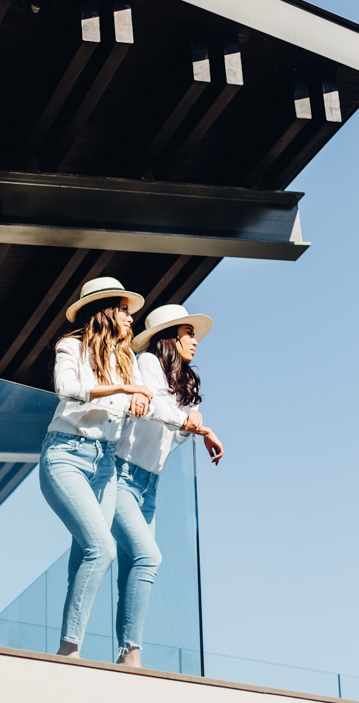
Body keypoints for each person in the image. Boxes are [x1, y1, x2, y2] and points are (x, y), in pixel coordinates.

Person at [40, 276, 152, 659]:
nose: (130, 318)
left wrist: (141, 402)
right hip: (65, 455)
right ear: (104, 311)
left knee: (85, 557)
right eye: (124, 310)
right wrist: (123, 391)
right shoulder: (70, 345)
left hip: (104, 465)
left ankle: (71, 646)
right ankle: (69, 652)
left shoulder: (127, 359)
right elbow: (66, 389)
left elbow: (144, 403)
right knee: (101, 548)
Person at [112, 303, 224, 668]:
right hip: (122, 476)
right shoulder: (147, 363)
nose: (195, 341)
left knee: (132, 567)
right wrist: (199, 427)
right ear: (173, 336)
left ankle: (126, 652)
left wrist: (189, 423)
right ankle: (132, 654)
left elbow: (166, 434)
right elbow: (157, 409)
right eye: (189, 333)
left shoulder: (177, 386)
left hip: (149, 485)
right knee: (148, 557)